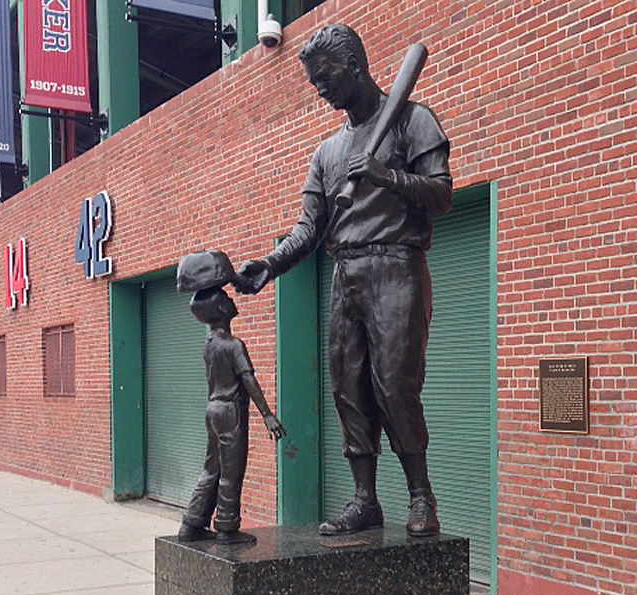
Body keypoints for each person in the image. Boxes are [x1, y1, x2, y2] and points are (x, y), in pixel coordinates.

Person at [237, 24, 452, 537]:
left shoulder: (411, 120)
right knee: (349, 388)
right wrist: (270, 264)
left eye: (324, 76)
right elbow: (309, 228)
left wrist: (387, 176)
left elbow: (441, 195)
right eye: (312, 81)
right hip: (346, 274)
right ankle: (364, 500)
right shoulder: (327, 153)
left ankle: (421, 495)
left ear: (354, 65)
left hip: (397, 265)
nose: (319, 88)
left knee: (395, 385)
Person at [178, 286, 285, 543]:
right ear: (221, 309)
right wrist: (267, 415)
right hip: (230, 411)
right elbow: (248, 380)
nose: (231, 300)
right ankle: (226, 527)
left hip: (213, 409)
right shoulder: (233, 345)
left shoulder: (209, 345)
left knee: (211, 468)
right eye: (226, 298)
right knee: (231, 471)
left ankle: (192, 523)